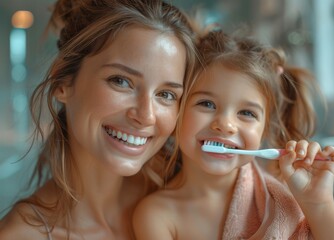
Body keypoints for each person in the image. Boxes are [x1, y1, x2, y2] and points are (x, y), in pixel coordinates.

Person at [132, 29, 334, 239]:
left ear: (264, 129)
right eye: (207, 104)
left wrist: (317, 203)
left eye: (247, 113)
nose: (226, 125)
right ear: (177, 110)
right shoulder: (156, 215)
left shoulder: (282, 199)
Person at [0, 0, 198, 239]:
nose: (146, 116)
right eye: (121, 81)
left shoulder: (188, 198)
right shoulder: (21, 235)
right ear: (62, 82)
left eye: (166, 95)